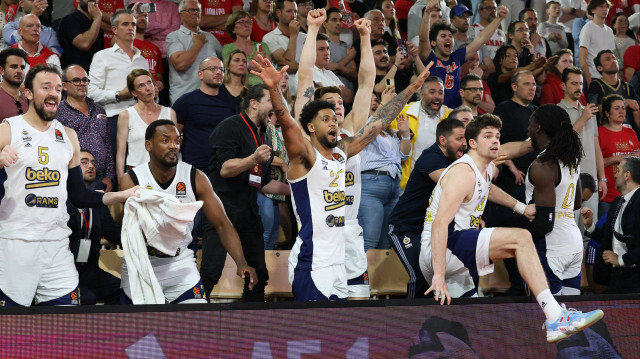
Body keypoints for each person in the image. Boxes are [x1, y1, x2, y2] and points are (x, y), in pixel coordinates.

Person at [252, 49, 432, 302]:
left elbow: (379, 121)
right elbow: (288, 124)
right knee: (314, 336)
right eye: (326, 119)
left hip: (339, 260)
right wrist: (274, 90)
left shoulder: (341, 153)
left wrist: (411, 89)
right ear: (312, 127)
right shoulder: (304, 158)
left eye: (334, 118)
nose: (334, 122)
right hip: (313, 263)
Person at [420, 114, 604, 343]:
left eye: (497, 136)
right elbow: (439, 224)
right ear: (472, 143)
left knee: (466, 327)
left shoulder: (484, 168)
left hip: (458, 252)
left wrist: (521, 207)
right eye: (488, 136)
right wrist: (438, 275)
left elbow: (488, 189)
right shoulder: (463, 172)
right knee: (521, 238)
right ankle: (555, 316)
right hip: (442, 248)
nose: (495, 140)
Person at [0, 64, 139, 307]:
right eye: (45, 87)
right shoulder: (8, 129)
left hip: (57, 245)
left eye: (57, 88)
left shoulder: (68, 136)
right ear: (29, 93)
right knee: (11, 328)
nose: (53, 93)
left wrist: (121, 195)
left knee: (66, 323)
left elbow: (80, 196)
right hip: (16, 244)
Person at [119, 119, 258, 303]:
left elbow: (222, 224)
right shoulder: (132, 179)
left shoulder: (195, 177)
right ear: (148, 145)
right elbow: (129, 229)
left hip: (179, 263)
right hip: (142, 263)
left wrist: (241, 263)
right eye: (165, 140)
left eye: (177, 141)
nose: (173, 146)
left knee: (197, 321)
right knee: (140, 330)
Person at [295, 10, 376, 300]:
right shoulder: (306, 139)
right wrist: (313, 28)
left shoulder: (350, 132)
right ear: (314, 118)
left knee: (357, 317)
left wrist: (365, 38)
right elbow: (305, 77)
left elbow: (366, 83)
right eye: (329, 105)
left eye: (340, 103)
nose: (337, 108)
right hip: (318, 239)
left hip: (350, 232)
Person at [203, 84, 290, 301]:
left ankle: (252, 323)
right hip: (222, 211)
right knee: (210, 272)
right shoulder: (230, 126)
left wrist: (298, 190)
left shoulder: (266, 136)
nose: (276, 107)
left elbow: (263, 183)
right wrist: (253, 159)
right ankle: (193, 318)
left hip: (249, 212)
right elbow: (224, 169)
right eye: (271, 101)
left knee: (259, 273)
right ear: (253, 103)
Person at [388, 118, 466, 298]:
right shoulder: (431, 158)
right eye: (460, 139)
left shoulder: (457, 160)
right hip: (404, 228)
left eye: (465, 138)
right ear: (443, 140)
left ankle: (436, 321)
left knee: (443, 274)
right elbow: (453, 187)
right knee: (421, 273)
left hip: (430, 231)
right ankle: (415, 321)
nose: (464, 143)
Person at [525, 105, 585, 295]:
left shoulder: (542, 164)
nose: (528, 129)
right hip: (574, 243)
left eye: (530, 124)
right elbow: (576, 202)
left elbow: (544, 223)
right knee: (570, 317)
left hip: (552, 246)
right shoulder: (571, 158)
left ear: (538, 128)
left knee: (549, 316)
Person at [419, 1, 509, 109]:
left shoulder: (456, 57)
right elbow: (423, 40)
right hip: (435, 112)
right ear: (433, 42)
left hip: (455, 114)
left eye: (450, 36)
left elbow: (480, 40)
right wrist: (428, 12)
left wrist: (498, 18)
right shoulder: (430, 59)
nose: (448, 38)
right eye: (443, 36)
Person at [88, 9, 150, 164]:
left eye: (133, 24)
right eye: (126, 24)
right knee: (114, 168)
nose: (131, 28)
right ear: (114, 30)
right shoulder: (102, 56)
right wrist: (118, 95)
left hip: (140, 119)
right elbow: (90, 92)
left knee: (140, 166)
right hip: (112, 118)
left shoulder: (142, 60)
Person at [66, 149, 122, 305]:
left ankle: (111, 329)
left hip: (87, 269)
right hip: (63, 269)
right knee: (87, 298)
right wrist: (79, 207)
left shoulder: (98, 202)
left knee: (121, 289)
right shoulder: (61, 199)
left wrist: (143, 237)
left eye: (93, 163)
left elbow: (116, 235)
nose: (90, 166)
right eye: (83, 162)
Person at [557, 66, 606, 231]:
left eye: (580, 83)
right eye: (573, 83)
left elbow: (596, 147)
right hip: (569, 182)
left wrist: (602, 178)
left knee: (589, 231)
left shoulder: (589, 111)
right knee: (569, 231)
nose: (578, 87)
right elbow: (564, 141)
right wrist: (583, 118)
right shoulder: (558, 111)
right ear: (563, 86)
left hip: (591, 182)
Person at [583, 156, 640, 294]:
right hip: (615, 278)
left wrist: (621, 259)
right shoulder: (617, 202)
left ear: (627, 175)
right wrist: (591, 227)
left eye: (618, 170)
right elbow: (608, 238)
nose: (614, 175)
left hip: (635, 278)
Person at [172, 56, 240, 172]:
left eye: (221, 69)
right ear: (200, 74)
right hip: (194, 168)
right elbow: (173, 135)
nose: (218, 72)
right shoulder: (186, 101)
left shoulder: (232, 102)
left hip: (224, 168)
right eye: (213, 68)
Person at [58, 65, 115, 192]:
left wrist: (109, 176)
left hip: (99, 178)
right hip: (72, 178)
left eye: (85, 80)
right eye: (76, 80)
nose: (82, 84)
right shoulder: (58, 111)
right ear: (64, 86)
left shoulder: (99, 109)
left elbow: (107, 144)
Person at [116, 69, 177, 182]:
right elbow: (121, 153)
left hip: (165, 175)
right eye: (141, 86)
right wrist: (121, 182)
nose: (148, 88)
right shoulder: (126, 115)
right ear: (134, 93)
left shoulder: (169, 113)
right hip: (135, 174)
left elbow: (175, 149)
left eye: (150, 82)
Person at [166, 0, 222, 103]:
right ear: (181, 15)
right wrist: (198, 44)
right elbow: (180, 64)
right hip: (184, 98)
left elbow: (224, 61)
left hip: (210, 98)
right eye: (191, 10)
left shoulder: (210, 37)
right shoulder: (174, 36)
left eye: (198, 10)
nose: (195, 12)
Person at [598, 94, 640, 216]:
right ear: (607, 113)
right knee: (606, 232)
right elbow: (595, 163)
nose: (621, 111)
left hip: (631, 194)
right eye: (616, 108)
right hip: (608, 194)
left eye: (623, 108)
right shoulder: (600, 132)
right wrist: (616, 158)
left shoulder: (630, 132)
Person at [588, 49, 640, 132]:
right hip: (608, 133)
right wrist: (624, 103)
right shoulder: (596, 85)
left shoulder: (628, 87)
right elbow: (594, 111)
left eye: (614, 58)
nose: (613, 61)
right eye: (608, 59)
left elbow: (636, 112)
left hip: (628, 133)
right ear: (600, 67)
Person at [222, 10, 272, 86]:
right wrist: (255, 61)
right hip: (240, 87)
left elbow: (268, 69)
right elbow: (232, 69)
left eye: (248, 22)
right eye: (241, 22)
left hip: (263, 87)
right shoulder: (227, 48)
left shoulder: (262, 45)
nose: (246, 25)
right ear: (233, 29)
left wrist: (245, 65)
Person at [57, 0, 104, 72]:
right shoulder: (69, 19)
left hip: (95, 74)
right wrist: (97, 18)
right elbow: (84, 44)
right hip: (74, 76)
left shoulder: (96, 24)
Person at [262, 0, 306, 74]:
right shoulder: (269, 38)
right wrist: (293, 36)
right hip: (286, 82)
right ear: (278, 13)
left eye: (295, 12)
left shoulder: (305, 37)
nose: (293, 15)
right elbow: (287, 65)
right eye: (289, 11)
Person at [579, 0, 614, 84]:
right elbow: (582, 59)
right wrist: (589, 81)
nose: (605, 9)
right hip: (593, 75)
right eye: (601, 6)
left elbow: (611, 56)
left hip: (608, 77)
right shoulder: (588, 28)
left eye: (606, 7)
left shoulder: (609, 30)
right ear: (593, 10)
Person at [469, 0, 506, 78]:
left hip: (499, 73)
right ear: (480, 11)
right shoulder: (472, 29)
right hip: (481, 71)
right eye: (489, 8)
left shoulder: (501, 33)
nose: (493, 11)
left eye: (495, 8)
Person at [0, 47, 29, 121]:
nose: (19, 71)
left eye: (22, 67)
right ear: (2, 70)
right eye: (14, 67)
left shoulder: (28, 98)